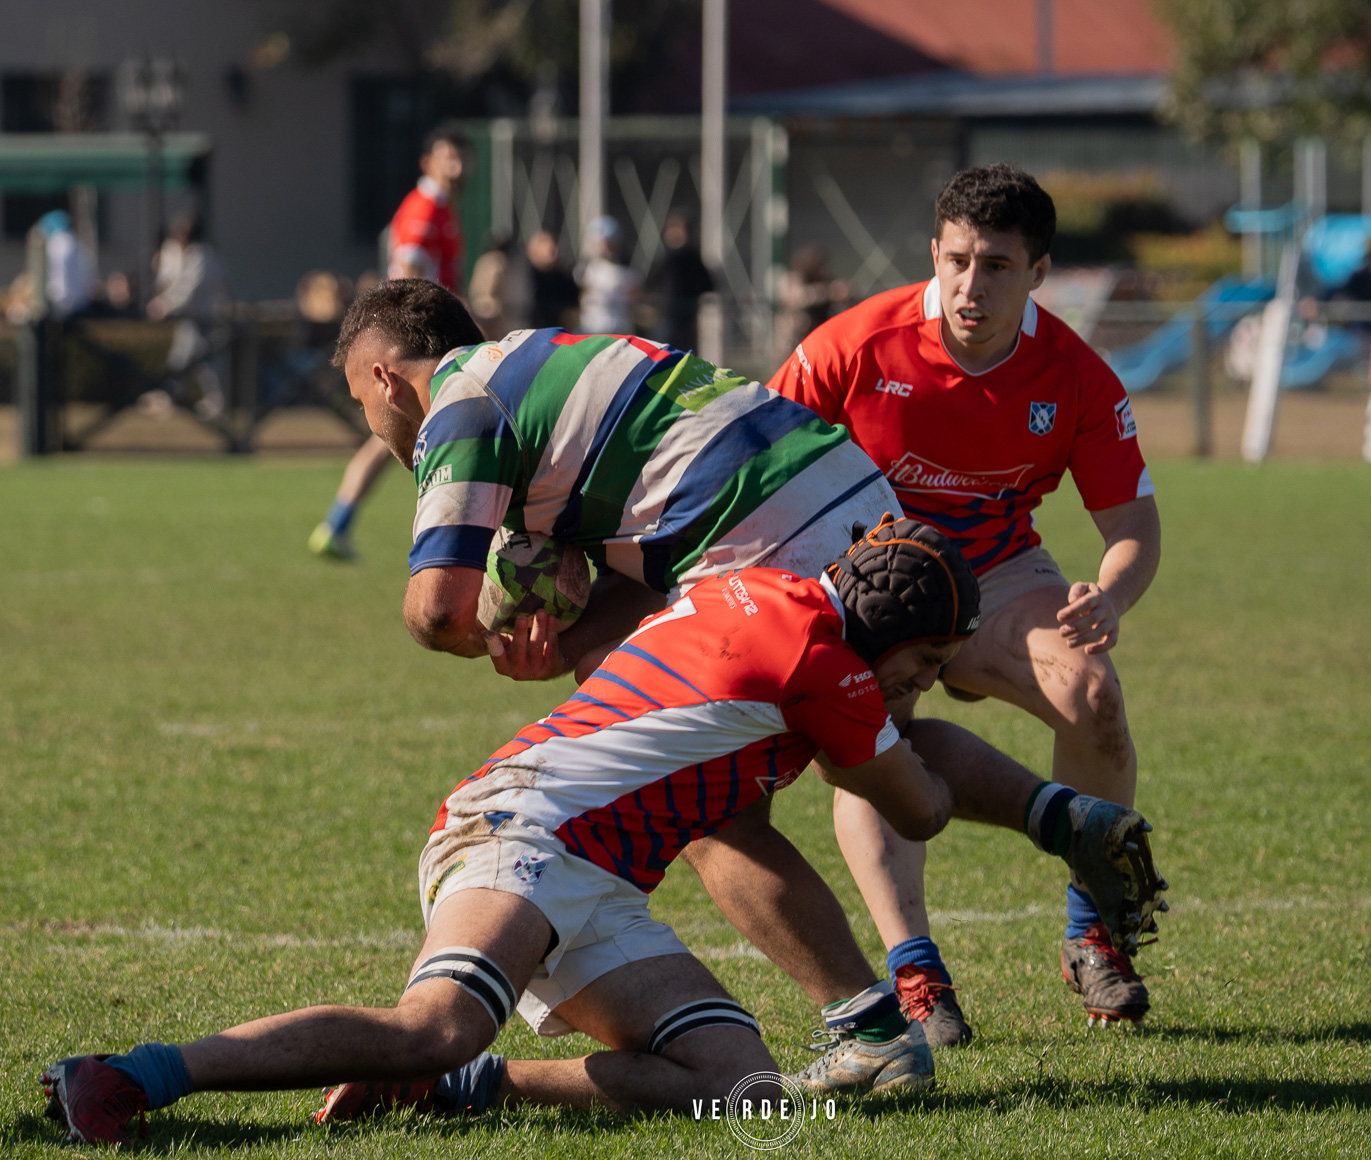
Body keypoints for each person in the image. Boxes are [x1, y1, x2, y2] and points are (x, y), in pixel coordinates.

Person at [39, 523, 1161, 1144]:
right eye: (921, 668)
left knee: (750, 1092)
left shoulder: (755, 583)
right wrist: (1024, 795)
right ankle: (129, 1074)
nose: (924, 688)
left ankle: (462, 1092)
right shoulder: (822, 665)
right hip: (519, 826)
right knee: (436, 1020)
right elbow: (914, 803)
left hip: (602, 875)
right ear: (885, 642)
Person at [332, 277, 1167, 1073]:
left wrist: (490, 639)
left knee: (710, 815)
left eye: (361, 405)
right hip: (850, 503)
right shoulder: (544, 358)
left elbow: (437, 609)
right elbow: (631, 550)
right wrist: (557, 641)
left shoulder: (463, 401)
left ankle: (868, 1030)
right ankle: (1062, 817)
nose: (372, 426)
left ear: (384, 377)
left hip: (761, 545)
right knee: (876, 738)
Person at [768, 164, 1164, 1036]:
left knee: (1093, 693)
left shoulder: (1077, 375)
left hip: (997, 572)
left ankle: (1093, 935)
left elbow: (1134, 523)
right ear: (933, 255)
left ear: (1039, 273)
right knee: (876, 746)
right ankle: (918, 977)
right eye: (956, 261)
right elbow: (757, 464)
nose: (969, 286)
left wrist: (1114, 593)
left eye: (995, 266)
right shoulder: (852, 345)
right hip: (865, 583)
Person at [310, 129, 471, 560]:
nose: (457, 169)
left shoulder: (441, 208)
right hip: (422, 343)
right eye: (449, 159)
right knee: (448, 435)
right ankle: (452, 546)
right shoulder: (427, 207)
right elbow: (409, 273)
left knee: (394, 438)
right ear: (428, 162)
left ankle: (337, 524)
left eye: (463, 159)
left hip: (423, 338)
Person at [147, 210, 231, 420]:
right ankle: (178, 396)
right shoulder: (192, 255)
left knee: (197, 360)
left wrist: (164, 305)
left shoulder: (200, 257)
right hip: (196, 318)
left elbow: (186, 290)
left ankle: (174, 396)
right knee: (194, 359)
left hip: (207, 318)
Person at [645, 210, 713, 352]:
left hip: (685, 315)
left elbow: (707, 284)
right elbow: (651, 281)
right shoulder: (666, 257)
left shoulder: (690, 256)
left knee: (684, 352)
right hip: (667, 313)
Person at [576, 215, 638, 334]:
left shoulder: (627, 271)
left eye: (609, 242)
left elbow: (635, 296)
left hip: (619, 329)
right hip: (590, 328)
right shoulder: (583, 269)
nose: (604, 246)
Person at [524, 229, 578, 331]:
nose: (554, 252)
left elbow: (572, 308)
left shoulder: (562, 277)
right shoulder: (523, 276)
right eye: (549, 249)